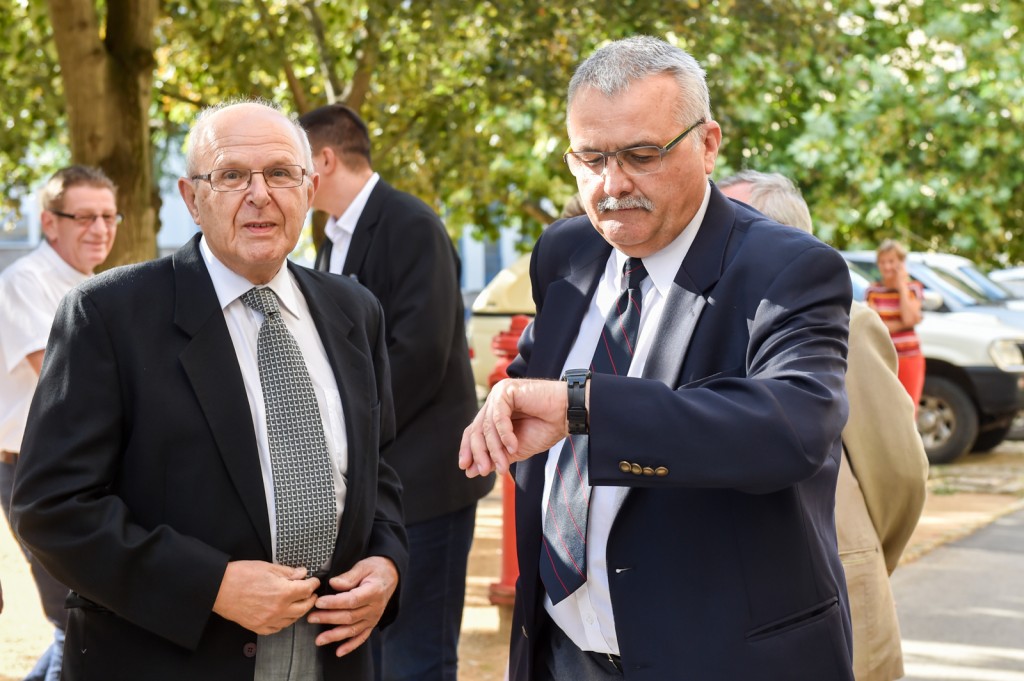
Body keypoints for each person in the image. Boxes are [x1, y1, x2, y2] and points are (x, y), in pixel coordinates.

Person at [460, 36, 855, 680]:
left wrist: (584, 408)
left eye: (642, 156)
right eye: (591, 159)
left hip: (722, 660)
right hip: (564, 650)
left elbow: (791, 428)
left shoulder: (788, 268)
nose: (612, 184)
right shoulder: (565, 253)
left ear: (708, 143)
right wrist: (508, 408)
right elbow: (537, 385)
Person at [11, 100, 408, 681]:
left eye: (280, 173)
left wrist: (387, 561)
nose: (259, 194)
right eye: (231, 175)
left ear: (309, 189)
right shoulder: (109, 315)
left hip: (331, 655)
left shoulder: (355, 310)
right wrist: (210, 587)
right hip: (171, 658)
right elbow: (53, 509)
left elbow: (380, 468)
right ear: (192, 198)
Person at [298, 103, 494, 681]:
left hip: (425, 484)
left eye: (291, 165)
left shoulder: (411, 224)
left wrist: (345, 433)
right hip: (373, 489)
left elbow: (421, 354)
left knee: (417, 660)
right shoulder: (331, 237)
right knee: (373, 656)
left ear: (324, 160)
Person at [719, 170, 928, 680]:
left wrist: (861, 554)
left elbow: (898, 473)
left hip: (836, 596)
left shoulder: (845, 321)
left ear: (782, 237)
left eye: (729, 225)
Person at [0, 164, 120, 681]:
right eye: (84, 217)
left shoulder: (94, 284)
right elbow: (59, 379)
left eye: (109, 216)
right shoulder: (24, 283)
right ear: (49, 222)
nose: (101, 229)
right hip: (32, 472)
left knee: (81, 617)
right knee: (75, 620)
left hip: (85, 470)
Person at [865, 239, 925, 407]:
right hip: (882, 357)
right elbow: (877, 327)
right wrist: (906, 324)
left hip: (909, 357)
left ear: (901, 263)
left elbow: (909, 318)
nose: (887, 266)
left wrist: (901, 287)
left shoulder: (913, 288)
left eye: (891, 261)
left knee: (909, 407)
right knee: (885, 408)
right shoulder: (873, 291)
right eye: (882, 262)